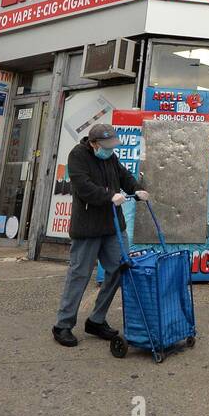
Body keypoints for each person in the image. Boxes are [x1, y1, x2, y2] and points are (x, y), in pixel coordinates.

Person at [51, 125, 149, 347]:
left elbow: (123, 175)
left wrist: (136, 188)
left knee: (119, 268)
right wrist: (108, 196)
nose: (109, 151)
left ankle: (96, 319)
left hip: (113, 226)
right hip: (88, 227)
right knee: (80, 274)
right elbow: (83, 187)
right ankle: (63, 325)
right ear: (94, 144)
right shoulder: (77, 156)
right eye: (106, 147)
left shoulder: (110, 157)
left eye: (112, 147)